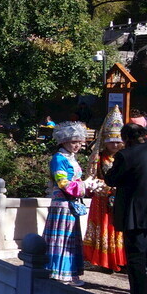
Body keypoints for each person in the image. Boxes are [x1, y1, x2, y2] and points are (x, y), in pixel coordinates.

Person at [105, 122, 147, 294]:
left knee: (136, 258)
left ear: (126, 138)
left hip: (134, 214)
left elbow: (111, 179)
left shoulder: (125, 155)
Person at [44, 122, 89, 285]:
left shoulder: (71, 158)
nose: (77, 145)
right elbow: (63, 183)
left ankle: (69, 272)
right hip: (62, 205)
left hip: (70, 205)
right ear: (64, 142)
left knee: (69, 239)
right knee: (61, 240)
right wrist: (85, 185)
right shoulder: (59, 158)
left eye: (79, 142)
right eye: (73, 142)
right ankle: (59, 272)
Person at [84, 106, 126, 272]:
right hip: (102, 199)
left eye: (118, 141)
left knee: (117, 229)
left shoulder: (124, 157)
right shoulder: (99, 157)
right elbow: (91, 177)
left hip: (119, 198)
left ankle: (118, 260)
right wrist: (104, 186)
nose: (115, 144)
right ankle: (102, 260)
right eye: (111, 141)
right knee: (103, 226)